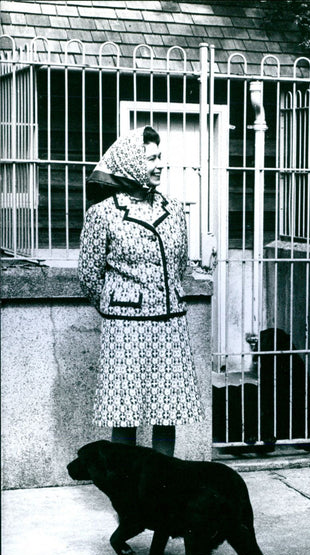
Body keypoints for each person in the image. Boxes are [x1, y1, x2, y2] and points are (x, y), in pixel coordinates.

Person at [79, 126, 203, 457]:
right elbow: (90, 275)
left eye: (160, 156)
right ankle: (128, 495)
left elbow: (180, 265)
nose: (160, 164)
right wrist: (121, 303)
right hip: (125, 327)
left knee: (167, 412)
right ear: (133, 163)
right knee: (125, 412)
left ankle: (164, 493)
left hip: (168, 323)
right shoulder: (103, 213)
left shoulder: (174, 209)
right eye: (151, 158)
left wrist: (161, 296)